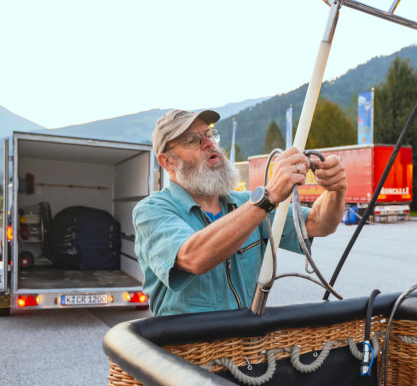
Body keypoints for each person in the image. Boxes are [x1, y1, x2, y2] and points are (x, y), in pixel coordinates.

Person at [133, 109, 347, 315]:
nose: (208, 143)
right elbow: (194, 257)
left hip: (246, 346)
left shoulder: (244, 202)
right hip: (187, 349)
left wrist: (336, 189)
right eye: (192, 140)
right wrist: (268, 197)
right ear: (167, 161)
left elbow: (318, 223)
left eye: (209, 134)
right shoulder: (152, 211)